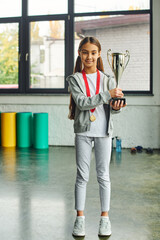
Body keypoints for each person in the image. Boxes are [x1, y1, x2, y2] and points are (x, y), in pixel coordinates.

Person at [66, 36, 126, 237]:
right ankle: (80, 219)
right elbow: (82, 103)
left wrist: (117, 105)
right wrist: (108, 95)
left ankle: (104, 219)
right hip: (83, 132)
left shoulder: (109, 79)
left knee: (104, 176)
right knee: (82, 176)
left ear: (99, 54)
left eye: (93, 52)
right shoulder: (74, 79)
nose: (89, 56)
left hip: (103, 132)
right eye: (85, 52)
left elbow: (112, 109)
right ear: (80, 54)